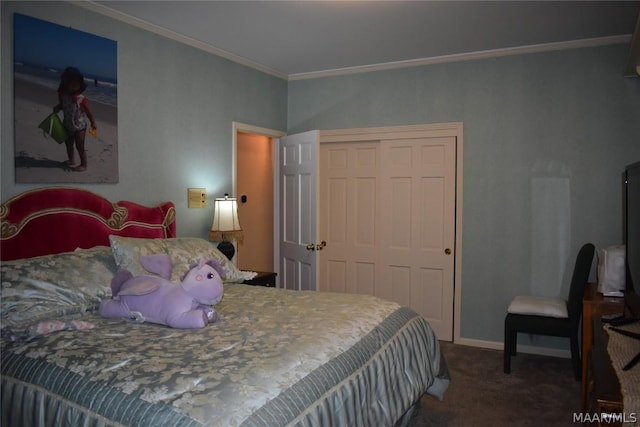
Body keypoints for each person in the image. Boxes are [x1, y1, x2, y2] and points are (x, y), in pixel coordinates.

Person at [53, 67, 97, 172]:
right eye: (72, 82)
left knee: (80, 145)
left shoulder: (80, 98)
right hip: (67, 125)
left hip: (79, 126)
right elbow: (63, 106)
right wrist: (58, 108)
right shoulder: (63, 95)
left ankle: (84, 164)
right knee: (68, 145)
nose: (75, 85)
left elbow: (88, 112)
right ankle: (71, 160)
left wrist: (93, 123)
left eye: (77, 83)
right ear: (66, 82)